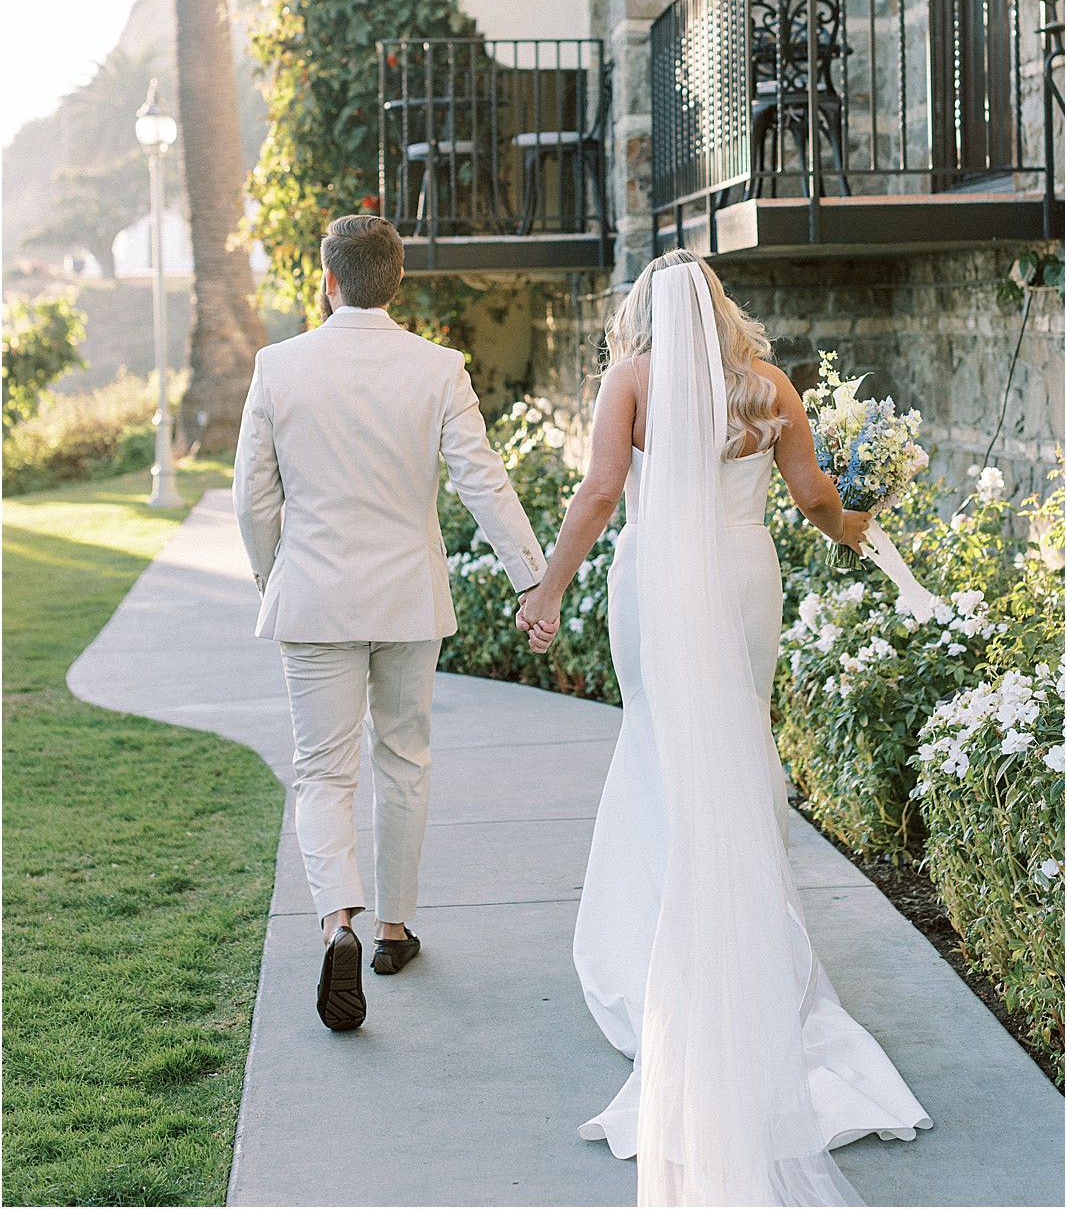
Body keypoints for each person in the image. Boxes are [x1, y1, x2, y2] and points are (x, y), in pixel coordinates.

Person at [518, 249, 931, 1206]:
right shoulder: (767, 387)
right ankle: (746, 935)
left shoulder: (630, 381)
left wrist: (548, 589)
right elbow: (816, 500)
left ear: (645, 311)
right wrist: (859, 528)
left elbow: (597, 495)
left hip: (657, 584)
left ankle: (656, 951)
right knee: (737, 740)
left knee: (661, 743)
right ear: (718, 306)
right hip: (744, 581)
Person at [234, 214, 546, 1032]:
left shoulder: (278, 366)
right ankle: (393, 930)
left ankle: (337, 919)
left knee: (322, 772)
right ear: (396, 282)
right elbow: (484, 482)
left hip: (314, 600)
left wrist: (274, 576)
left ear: (327, 280)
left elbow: (253, 498)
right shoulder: (438, 369)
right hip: (408, 600)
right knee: (403, 759)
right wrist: (530, 578)